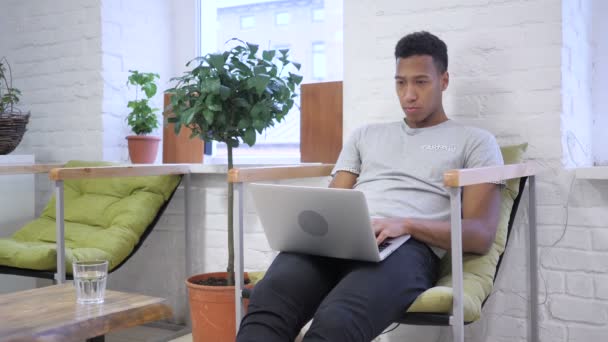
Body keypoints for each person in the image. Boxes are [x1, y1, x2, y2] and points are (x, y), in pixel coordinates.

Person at [236, 31, 503, 342]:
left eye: (421, 82)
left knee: (337, 322)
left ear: (443, 81)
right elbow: (333, 202)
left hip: (406, 248)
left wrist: (406, 224)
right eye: (400, 82)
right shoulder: (366, 135)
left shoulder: (475, 141)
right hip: (340, 240)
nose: (409, 94)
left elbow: (480, 235)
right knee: (268, 302)